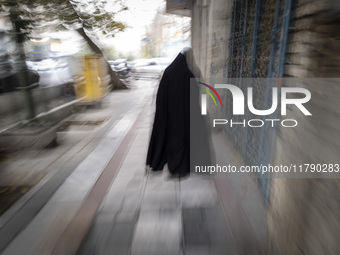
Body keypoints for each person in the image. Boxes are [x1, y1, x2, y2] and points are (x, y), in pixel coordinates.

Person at [146, 47, 212, 178]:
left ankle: (174, 166)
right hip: (185, 115)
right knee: (185, 140)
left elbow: (161, 96)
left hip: (169, 116)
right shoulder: (188, 73)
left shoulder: (168, 71)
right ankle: (183, 166)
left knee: (172, 141)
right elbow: (196, 94)